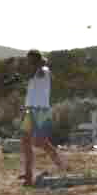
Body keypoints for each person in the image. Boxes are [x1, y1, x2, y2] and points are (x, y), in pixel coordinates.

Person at [19, 49, 65, 185]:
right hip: (30, 110)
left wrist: (41, 63)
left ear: (35, 61)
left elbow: (40, 72)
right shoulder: (34, 73)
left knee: (40, 142)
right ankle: (28, 174)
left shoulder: (44, 71)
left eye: (30, 60)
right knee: (26, 141)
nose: (27, 63)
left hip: (41, 111)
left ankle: (60, 165)